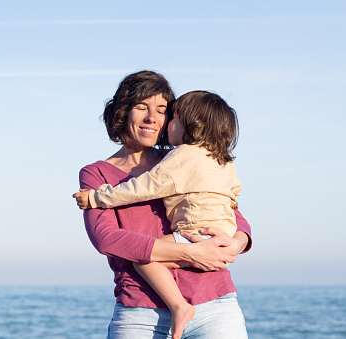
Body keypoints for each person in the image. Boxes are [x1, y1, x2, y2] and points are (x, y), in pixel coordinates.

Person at [74, 70, 252, 339]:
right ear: (123, 112)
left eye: (161, 109)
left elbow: (228, 207)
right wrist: (192, 253)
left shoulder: (187, 157)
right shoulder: (97, 175)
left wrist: (238, 241)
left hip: (216, 305)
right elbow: (106, 239)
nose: (151, 118)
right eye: (141, 107)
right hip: (141, 313)